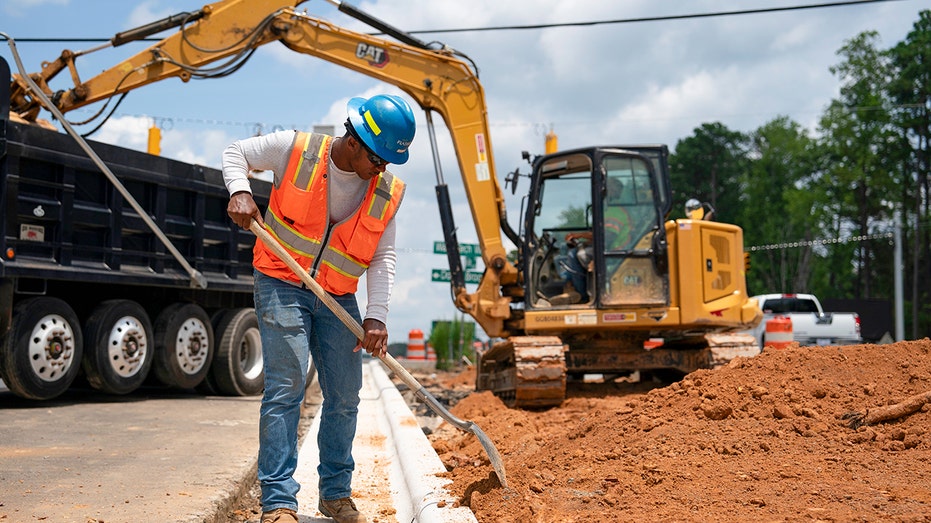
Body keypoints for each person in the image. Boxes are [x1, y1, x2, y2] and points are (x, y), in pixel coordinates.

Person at [222, 94, 416, 523]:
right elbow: (235, 152)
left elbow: (383, 257)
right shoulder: (296, 149)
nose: (380, 169)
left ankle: (334, 494)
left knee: (346, 395)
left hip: (337, 296)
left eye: (388, 163)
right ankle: (277, 501)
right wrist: (239, 190)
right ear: (354, 140)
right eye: (377, 159)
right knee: (286, 387)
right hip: (280, 281)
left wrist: (377, 315)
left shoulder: (386, 191)